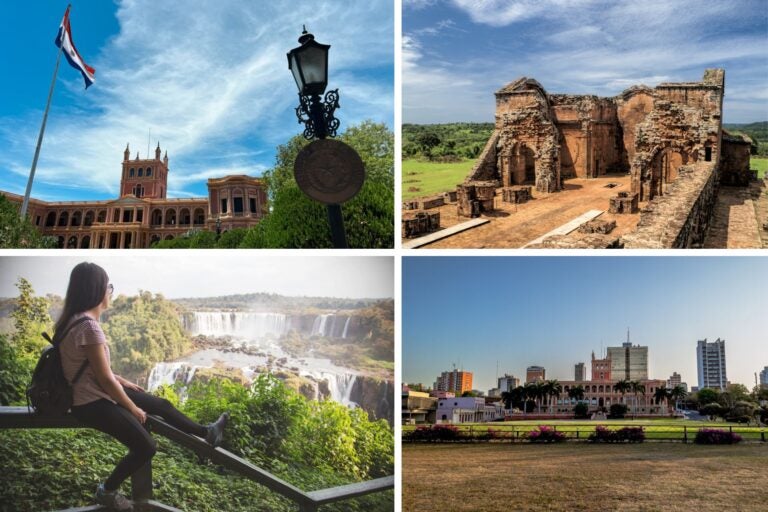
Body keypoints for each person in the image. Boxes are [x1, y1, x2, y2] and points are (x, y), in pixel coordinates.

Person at [58, 262, 228, 511]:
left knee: (161, 404)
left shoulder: (73, 320)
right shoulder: (89, 326)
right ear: (96, 291)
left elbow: (95, 369)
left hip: (95, 391)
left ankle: (207, 432)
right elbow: (104, 379)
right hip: (90, 402)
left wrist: (123, 381)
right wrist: (132, 408)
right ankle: (107, 490)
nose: (111, 292)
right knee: (146, 446)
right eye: (109, 287)